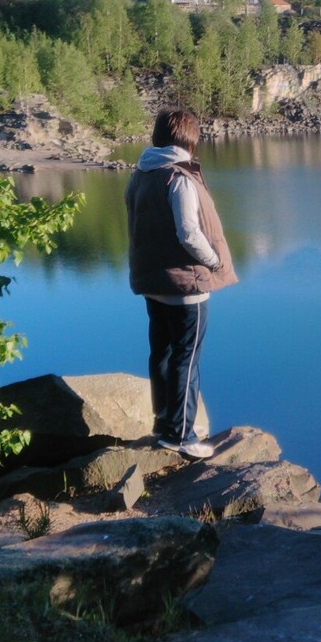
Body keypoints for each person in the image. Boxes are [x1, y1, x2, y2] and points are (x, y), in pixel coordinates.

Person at [124, 108, 238, 458]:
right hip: (185, 284)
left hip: (153, 281)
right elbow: (189, 232)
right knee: (186, 359)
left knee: (162, 352)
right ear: (189, 139)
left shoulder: (142, 174)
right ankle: (182, 436)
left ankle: (164, 424)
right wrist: (215, 261)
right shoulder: (180, 177)